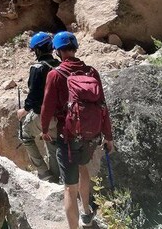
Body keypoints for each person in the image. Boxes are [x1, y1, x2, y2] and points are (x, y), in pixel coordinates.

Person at [40, 31, 114, 229]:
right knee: (83, 168)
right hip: (91, 135)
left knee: (68, 189)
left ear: (57, 51)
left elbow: (46, 107)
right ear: (75, 48)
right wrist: (109, 137)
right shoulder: (91, 72)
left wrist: (45, 129)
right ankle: (87, 213)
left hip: (68, 135)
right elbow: (103, 106)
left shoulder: (55, 74)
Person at [16, 31, 60, 182]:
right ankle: (56, 177)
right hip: (60, 115)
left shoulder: (37, 67)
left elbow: (34, 95)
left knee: (24, 134)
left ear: (37, 50)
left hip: (42, 114)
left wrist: (25, 109)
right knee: (53, 144)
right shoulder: (60, 66)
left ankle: (43, 172)